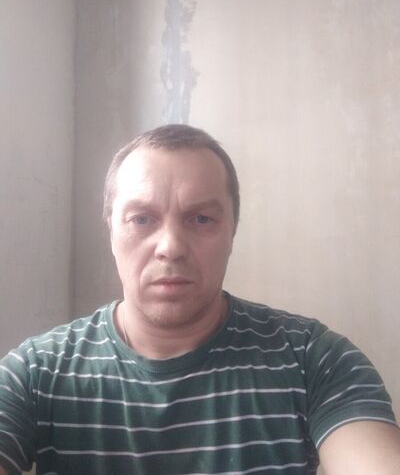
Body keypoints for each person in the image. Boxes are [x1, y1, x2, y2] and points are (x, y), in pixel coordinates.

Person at [0, 124, 399, 475]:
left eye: (201, 218)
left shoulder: (313, 358)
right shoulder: (37, 372)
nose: (170, 247)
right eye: (142, 219)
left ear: (232, 231)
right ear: (111, 231)